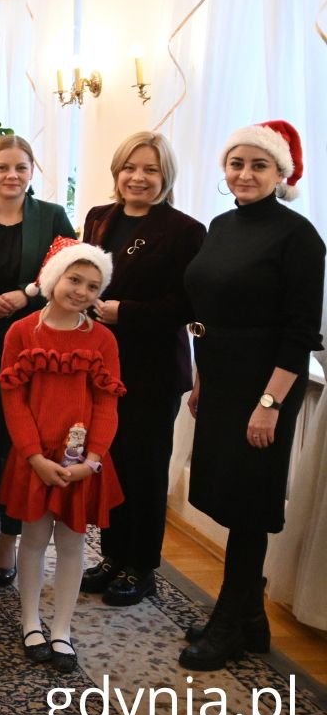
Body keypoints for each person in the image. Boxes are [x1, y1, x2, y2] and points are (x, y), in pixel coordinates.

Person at [181, 120, 324, 670]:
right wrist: (201, 379)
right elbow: (209, 311)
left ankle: (230, 623)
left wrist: (269, 405)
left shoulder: (299, 236)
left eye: (258, 165)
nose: (244, 174)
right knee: (223, 493)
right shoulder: (220, 225)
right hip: (220, 378)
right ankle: (252, 618)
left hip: (265, 386)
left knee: (247, 504)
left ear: (281, 173)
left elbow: (300, 333)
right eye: (237, 164)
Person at [77, 132, 204, 607]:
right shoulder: (98, 219)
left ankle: (141, 566)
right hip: (101, 364)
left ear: (165, 176)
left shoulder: (185, 230)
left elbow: (188, 304)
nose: (139, 177)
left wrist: (124, 312)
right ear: (117, 172)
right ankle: (111, 556)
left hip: (152, 370)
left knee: (145, 469)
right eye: (131, 167)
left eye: (150, 169)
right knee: (109, 462)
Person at [0, 237, 124, 675]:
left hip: (80, 463)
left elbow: (107, 403)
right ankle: (31, 621)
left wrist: (93, 458)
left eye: (93, 285)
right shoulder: (21, 332)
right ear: (54, 278)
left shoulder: (103, 339)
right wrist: (32, 456)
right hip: (35, 459)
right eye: (74, 279)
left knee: (72, 544)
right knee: (32, 540)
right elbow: (13, 401)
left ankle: (62, 629)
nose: (82, 291)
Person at [0, 135, 74, 586]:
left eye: (21, 168)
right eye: (2, 167)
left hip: (35, 338)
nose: (11, 175)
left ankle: (8, 535)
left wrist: (23, 293)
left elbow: (67, 269)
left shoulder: (52, 216)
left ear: (31, 172)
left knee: (21, 439)